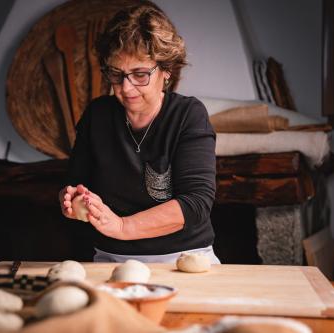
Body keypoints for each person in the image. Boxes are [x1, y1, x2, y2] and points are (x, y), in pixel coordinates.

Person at [59, 1, 220, 264]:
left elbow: (195, 204)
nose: (127, 87)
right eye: (116, 73)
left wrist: (123, 227)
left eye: (140, 74)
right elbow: (73, 185)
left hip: (184, 259)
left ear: (166, 71)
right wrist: (75, 203)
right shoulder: (97, 115)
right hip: (110, 258)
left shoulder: (188, 115)